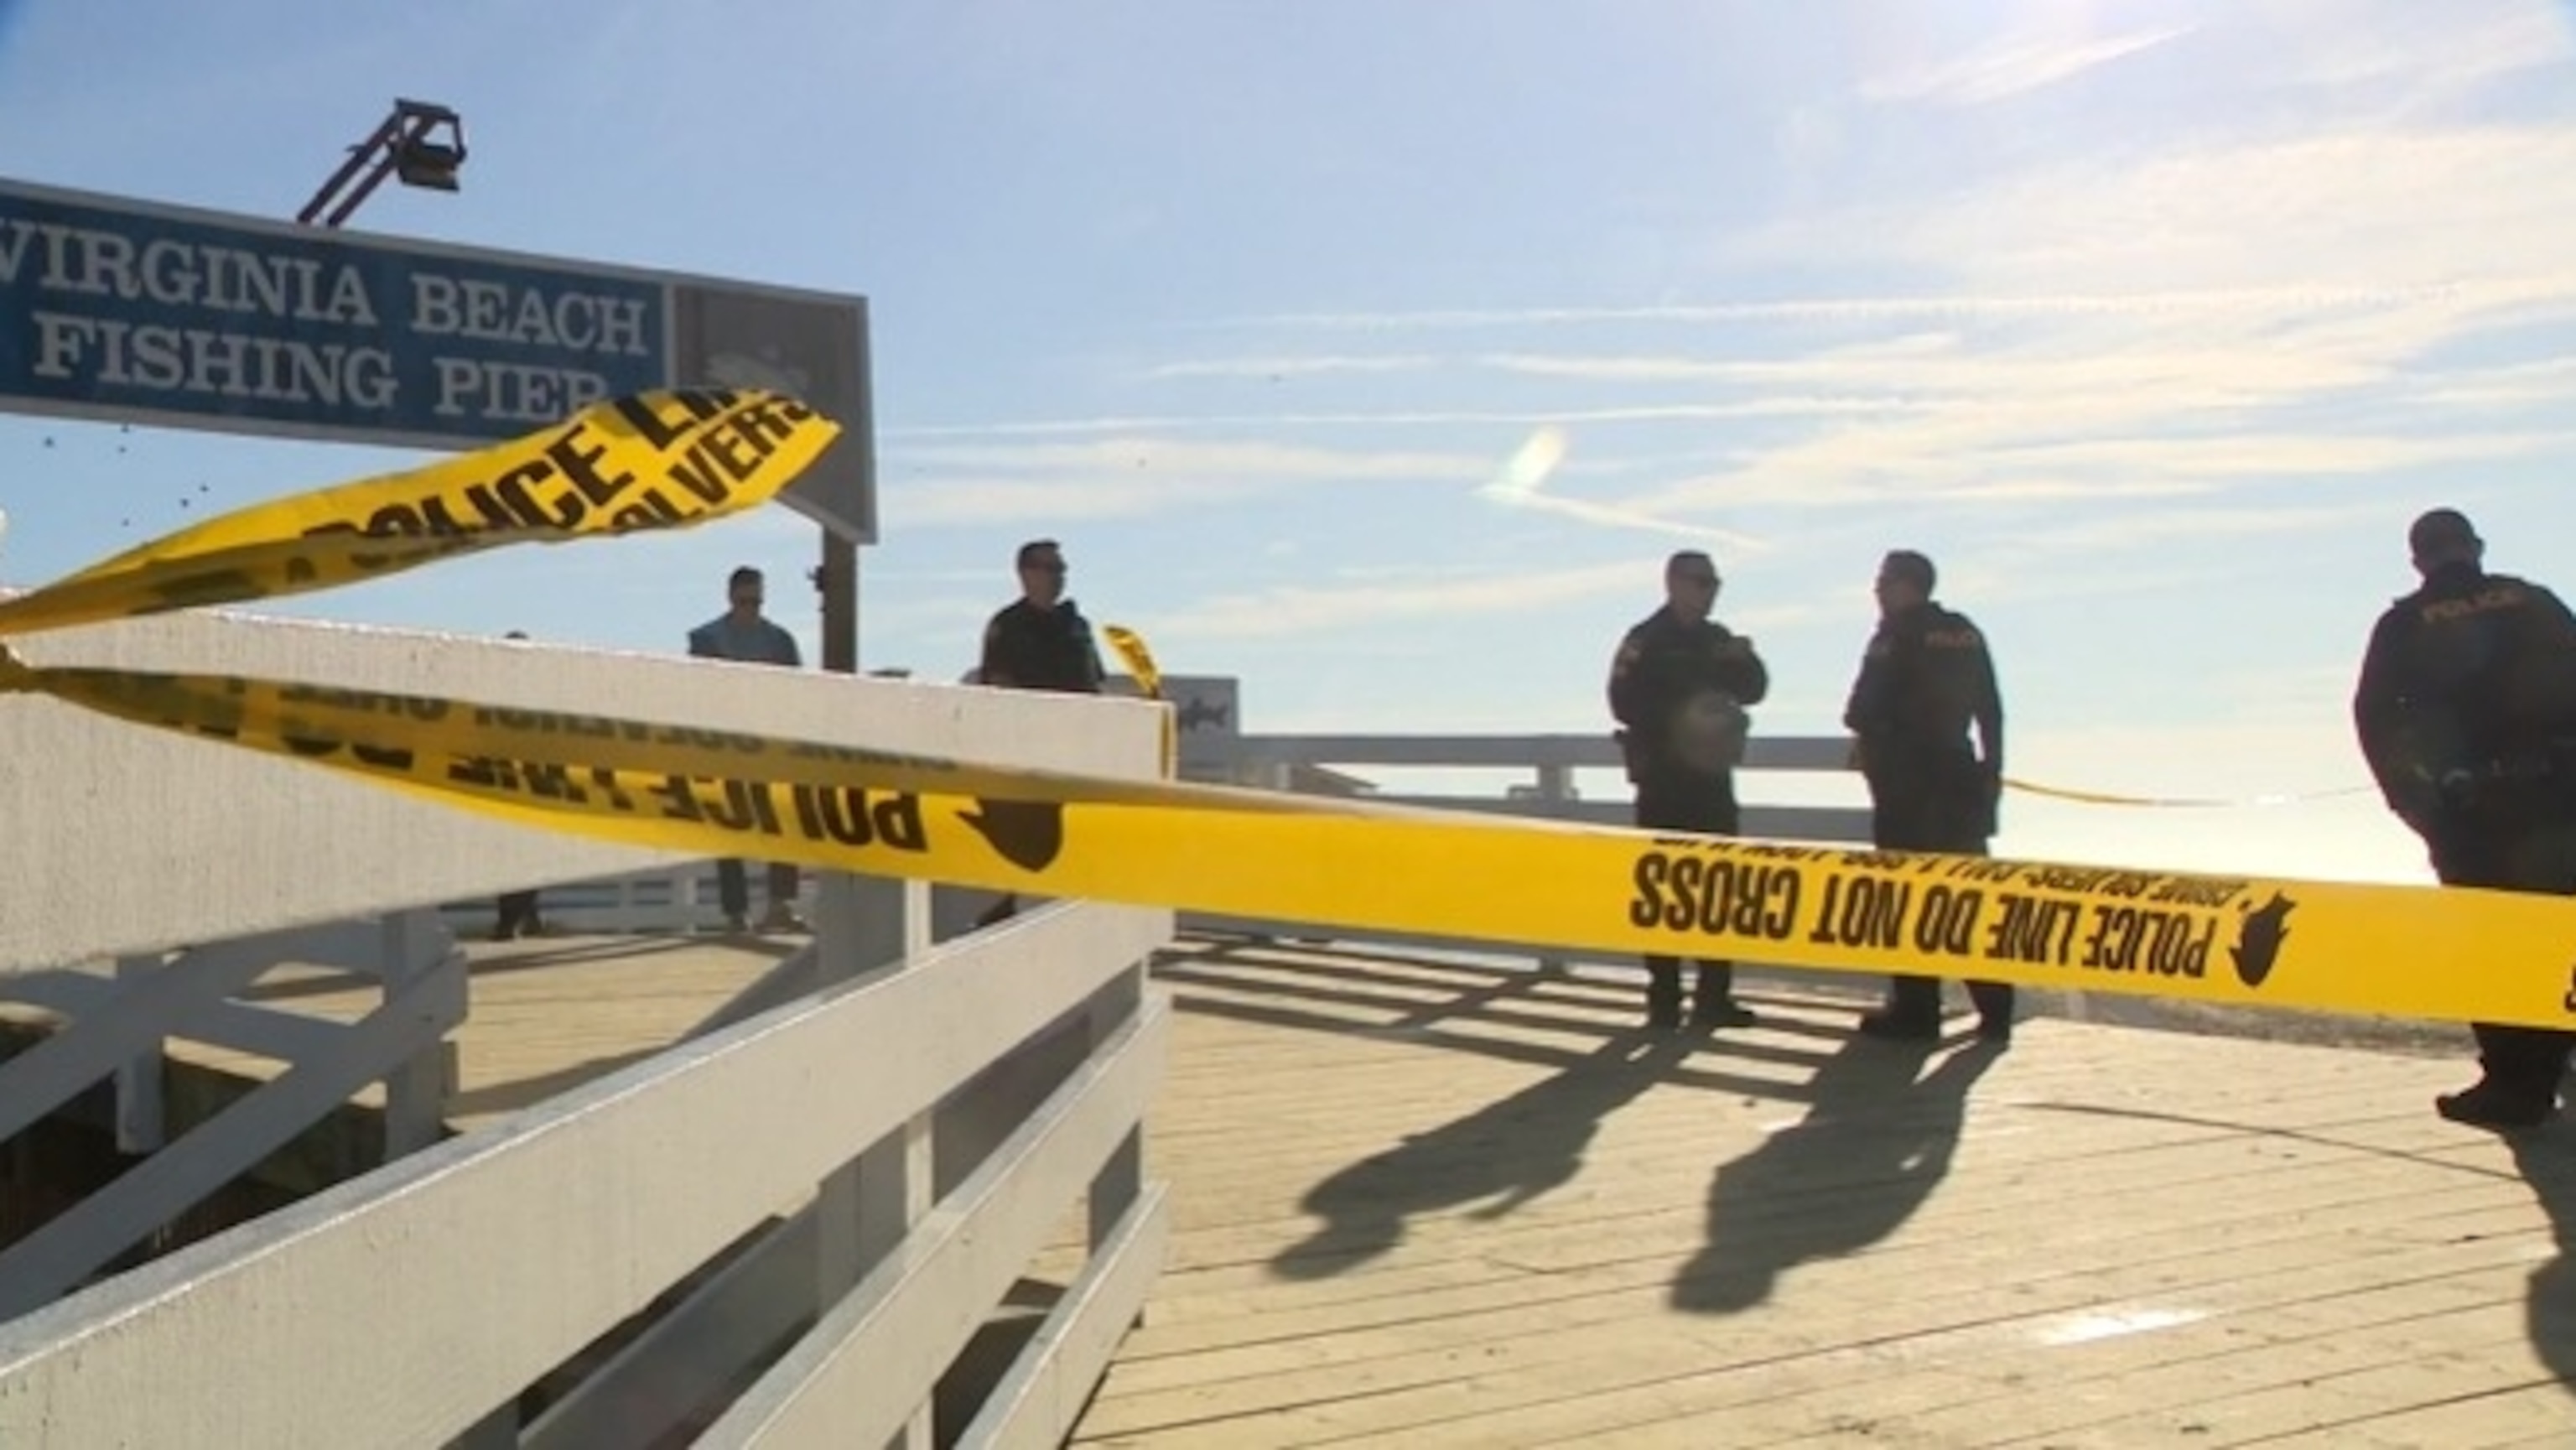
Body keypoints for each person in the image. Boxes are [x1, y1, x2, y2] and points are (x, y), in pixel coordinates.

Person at [2353, 508, 2576, 1129]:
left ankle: (2518, 1086)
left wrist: (2415, 805)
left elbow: (2376, 720)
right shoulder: (2535, 603)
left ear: (2419, 559)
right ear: (2475, 547)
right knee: (2564, 934)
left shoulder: (2403, 625)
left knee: (2495, 944)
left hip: (2474, 813)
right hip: (2562, 800)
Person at [1841, 549, 2012, 1044]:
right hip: (1961, 780)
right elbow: (1992, 709)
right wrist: (1990, 774)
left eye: (1884, 581)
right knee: (1970, 898)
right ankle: (1995, 1008)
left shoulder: (1895, 636)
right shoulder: (1964, 632)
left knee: (1909, 898)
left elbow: (1859, 710)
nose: (1877, 591)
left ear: (1906, 585)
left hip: (1907, 786)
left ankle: (1917, 1012)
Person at [1607, 549, 1767, 1031]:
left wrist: (1745, 660)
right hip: (1664, 779)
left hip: (1711, 779)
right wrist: (1679, 716)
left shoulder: (1719, 641)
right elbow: (1622, 702)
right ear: (1673, 583)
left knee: (1718, 890)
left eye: (1714, 583)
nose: (1709, 591)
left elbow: (1755, 688)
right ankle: (1664, 998)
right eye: (1700, 582)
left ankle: (1714, 996)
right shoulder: (1646, 640)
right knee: (1663, 892)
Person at [973, 539, 1108, 924]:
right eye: (1050, 569)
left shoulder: (1076, 626)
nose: (1058, 578)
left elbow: (1093, 684)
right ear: (1025, 574)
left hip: (1076, 750)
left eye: (1061, 570)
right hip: (1027, 751)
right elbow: (999, 686)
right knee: (1030, 845)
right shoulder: (1008, 626)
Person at [687, 566, 807, 934]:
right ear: (730, 598)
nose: (751, 608)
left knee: (781, 824)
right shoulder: (707, 639)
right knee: (730, 828)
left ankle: (779, 904)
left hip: (772, 745)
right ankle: (736, 912)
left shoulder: (781, 640)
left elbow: (797, 693)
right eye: (744, 601)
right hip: (725, 747)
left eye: (756, 601)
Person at [491, 630, 548, 941]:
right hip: (505, 782)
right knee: (510, 855)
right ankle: (516, 916)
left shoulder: (537, 695)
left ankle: (516, 917)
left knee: (527, 854)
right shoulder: (497, 694)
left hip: (531, 781)